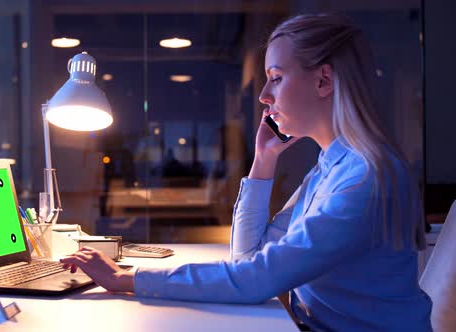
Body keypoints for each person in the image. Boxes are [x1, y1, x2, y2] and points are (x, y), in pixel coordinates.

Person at [60, 13, 432, 331]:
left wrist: (128, 279)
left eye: (277, 77)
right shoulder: (330, 167)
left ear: (323, 81)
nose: (264, 95)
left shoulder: (365, 177)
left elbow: (258, 279)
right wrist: (263, 162)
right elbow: (249, 258)